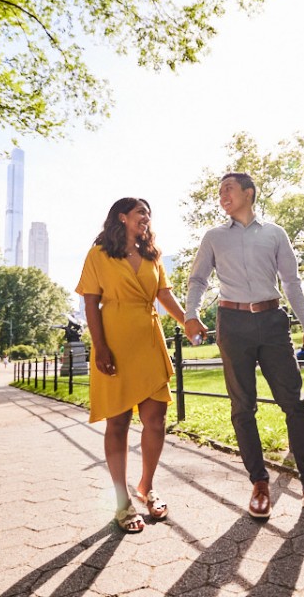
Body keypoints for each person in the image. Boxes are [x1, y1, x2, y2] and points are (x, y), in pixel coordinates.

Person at [185, 172, 304, 521]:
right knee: (243, 407)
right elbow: (197, 279)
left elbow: (291, 281)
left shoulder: (274, 234)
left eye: (228, 189)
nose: (222, 195)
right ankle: (259, 483)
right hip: (233, 324)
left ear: (248, 193)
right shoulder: (213, 237)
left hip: (272, 322)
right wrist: (191, 314)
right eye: (219, 191)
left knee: (295, 403)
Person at [76, 197, 188, 534]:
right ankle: (121, 501)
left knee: (156, 420)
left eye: (149, 214)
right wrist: (100, 347)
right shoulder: (99, 253)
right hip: (115, 343)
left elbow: (164, 296)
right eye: (141, 212)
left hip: (150, 342)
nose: (146, 218)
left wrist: (189, 322)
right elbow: (91, 303)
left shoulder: (153, 254)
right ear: (122, 217)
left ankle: (146, 486)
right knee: (119, 422)